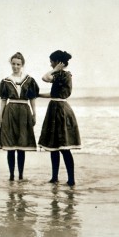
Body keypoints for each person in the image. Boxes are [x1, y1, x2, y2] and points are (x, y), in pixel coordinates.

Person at [0, 52, 39, 181]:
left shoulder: (29, 80)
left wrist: (34, 113)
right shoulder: (6, 80)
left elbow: (32, 99)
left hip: (24, 113)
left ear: (22, 65)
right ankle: (11, 176)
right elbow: (3, 100)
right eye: (13, 64)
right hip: (10, 112)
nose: (15, 66)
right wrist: (0, 117)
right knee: (10, 147)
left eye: (18, 64)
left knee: (21, 146)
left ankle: (20, 175)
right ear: (11, 64)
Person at [38, 50, 81, 186]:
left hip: (60, 111)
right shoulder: (60, 75)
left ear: (58, 62)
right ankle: (55, 177)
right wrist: (38, 95)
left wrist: (55, 69)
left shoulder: (63, 74)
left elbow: (44, 78)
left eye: (52, 61)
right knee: (54, 147)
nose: (50, 64)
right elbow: (53, 94)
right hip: (55, 108)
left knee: (63, 147)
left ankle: (71, 180)